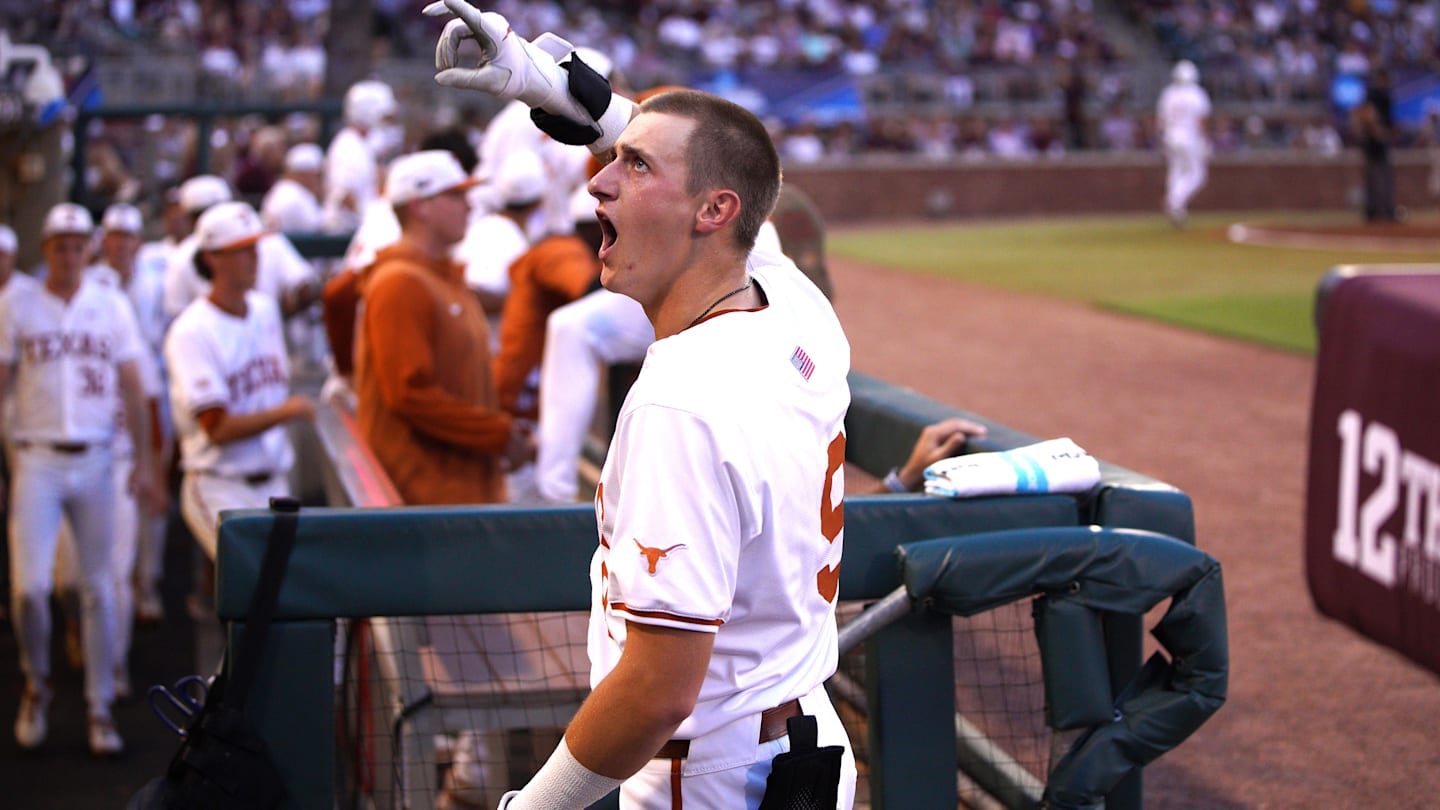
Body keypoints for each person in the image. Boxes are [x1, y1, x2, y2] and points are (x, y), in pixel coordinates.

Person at [428, 5, 857, 805]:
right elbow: (729, 180)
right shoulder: (796, 306)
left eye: (633, 168)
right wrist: (552, 88)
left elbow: (657, 692)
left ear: (713, 212)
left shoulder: (681, 402)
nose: (596, 179)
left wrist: (534, 807)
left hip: (711, 774)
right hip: (805, 739)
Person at [0, 203, 160, 757]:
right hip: (37, 456)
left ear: (86, 248)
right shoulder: (16, 302)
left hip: (97, 455)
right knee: (32, 590)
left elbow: (135, 385)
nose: (67, 254)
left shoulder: (109, 303)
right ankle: (35, 685)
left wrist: (144, 461)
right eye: (58, 244)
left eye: (76, 244)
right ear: (44, 249)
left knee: (98, 588)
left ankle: (98, 705)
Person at [352, 149, 530, 506]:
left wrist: (503, 429)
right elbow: (411, 394)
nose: (469, 205)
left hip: (461, 489)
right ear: (420, 207)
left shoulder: (443, 277)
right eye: (455, 195)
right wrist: (496, 433)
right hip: (425, 499)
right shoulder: (399, 281)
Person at [164, 201, 315, 562]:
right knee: (255, 587)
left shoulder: (263, 309)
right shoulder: (191, 330)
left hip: (274, 482)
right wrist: (287, 411)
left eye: (255, 247)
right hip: (218, 483)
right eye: (241, 250)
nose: (254, 257)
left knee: (279, 596)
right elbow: (217, 427)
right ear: (213, 258)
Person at [323, 79, 401, 233]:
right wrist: (376, 222)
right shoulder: (349, 147)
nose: (386, 122)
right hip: (344, 232)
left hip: (358, 228)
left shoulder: (362, 142)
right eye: (383, 116)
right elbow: (345, 197)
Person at [1156, 60, 1211, 228]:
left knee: (1176, 171)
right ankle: (1175, 200)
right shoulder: (1196, 94)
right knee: (1197, 175)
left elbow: (1161, 120)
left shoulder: (1168, 94)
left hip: (1170, 137)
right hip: (1189, 138)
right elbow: (1200, 120)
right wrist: (1205, 140)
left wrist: (1161, 138)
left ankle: (1177, 209)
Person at [1353, 68, 1397, 223]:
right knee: (1380, 177)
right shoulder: (1377, 95)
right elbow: (1365, 114)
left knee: (1376, 177)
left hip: (1372, 142)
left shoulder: (1375, 95)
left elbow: (1359, 114)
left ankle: (1374, 211)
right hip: (1375, 142)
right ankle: (1382, 211)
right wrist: (1377, 130)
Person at [261, 142, 326, 234]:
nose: (318, 179)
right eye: (317, 175)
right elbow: (320, 230)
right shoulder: (294, 196)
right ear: (305, 173)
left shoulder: (284, 189)